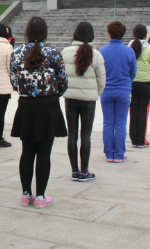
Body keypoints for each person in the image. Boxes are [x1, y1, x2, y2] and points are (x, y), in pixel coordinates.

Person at [10, 16, 68, 209]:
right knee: (44, 153)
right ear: (45, 33)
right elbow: (63, 81)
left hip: (26, 106)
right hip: (48, 106)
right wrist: (54, 94)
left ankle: (26, 193)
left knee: (27, 151)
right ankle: (41, 195)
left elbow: (14, 80)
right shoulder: (52, 52)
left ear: (27, 33)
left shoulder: (17, 52)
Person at [61, 22, 105, 182]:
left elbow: (60, 76)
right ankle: (84, 170)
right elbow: (102, 80)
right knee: (86, 135)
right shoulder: (96, 55)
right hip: (88, 100)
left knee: (72, 134)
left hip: (70, 98)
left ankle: (74, 170)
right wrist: (95, 93)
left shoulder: (65, 53)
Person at [98, 21, 137, 163]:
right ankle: (119, 153)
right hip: (123, 90)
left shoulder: (102, 51)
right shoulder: (129, 51)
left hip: (107, 90)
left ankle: (109, 153)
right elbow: (133, 72)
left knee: (108, 122)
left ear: (109, 34)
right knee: (121, 123)